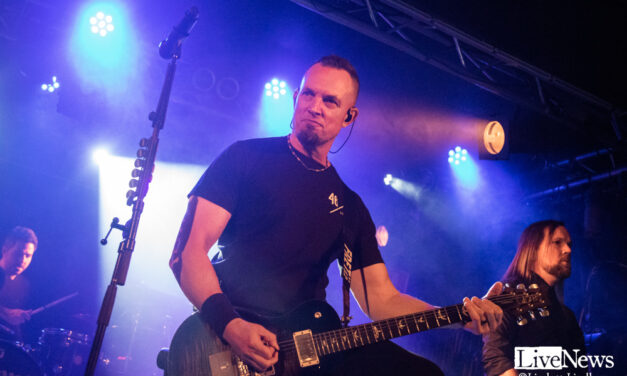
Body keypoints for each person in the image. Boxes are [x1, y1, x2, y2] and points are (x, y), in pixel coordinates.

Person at [170, 55, 503, 375]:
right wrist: (231, 326)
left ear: (349, 116)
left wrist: (459, 316)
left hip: (307, 346)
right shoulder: (245, 157)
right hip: (227, 333)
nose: (315, 107)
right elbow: (187, 253)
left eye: (330, 101)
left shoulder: (350, 206)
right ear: (296, 97)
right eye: (309, 95)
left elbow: (382, 299)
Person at [482, 220, 586, 376]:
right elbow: (496, 358)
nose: (568, 250)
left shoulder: (566, 316)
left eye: (569, 244)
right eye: (557, 242)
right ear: (534, 248)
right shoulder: (509, 297)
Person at [0, 226, 38, 340]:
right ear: (5, 250)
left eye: (28, 255)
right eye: (18, 253)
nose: (22, 260)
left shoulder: (24, 285)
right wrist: (6, 313)